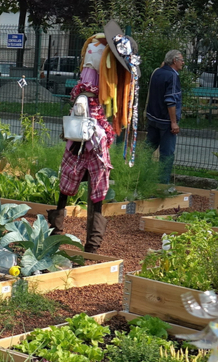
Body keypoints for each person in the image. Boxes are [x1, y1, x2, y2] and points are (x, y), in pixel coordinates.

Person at [47, 22, 139, 254]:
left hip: (84, 128)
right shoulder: (100, 52)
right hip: (92, 127)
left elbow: (86, 92)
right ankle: (91, 245)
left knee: (71, 179)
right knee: (96, 182)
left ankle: (58, 234)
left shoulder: (93, 49)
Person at [144, 49, 183, 185]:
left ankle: (141, 177)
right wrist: (174, 122)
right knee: (166, 154)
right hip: (166, 121)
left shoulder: (157, 72)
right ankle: (162, 184)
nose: (182, 63)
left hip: (153, 118)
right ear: (174, 61)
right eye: (181, 60)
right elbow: (171, 101)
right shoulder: (172, 76)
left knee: (148, 149)